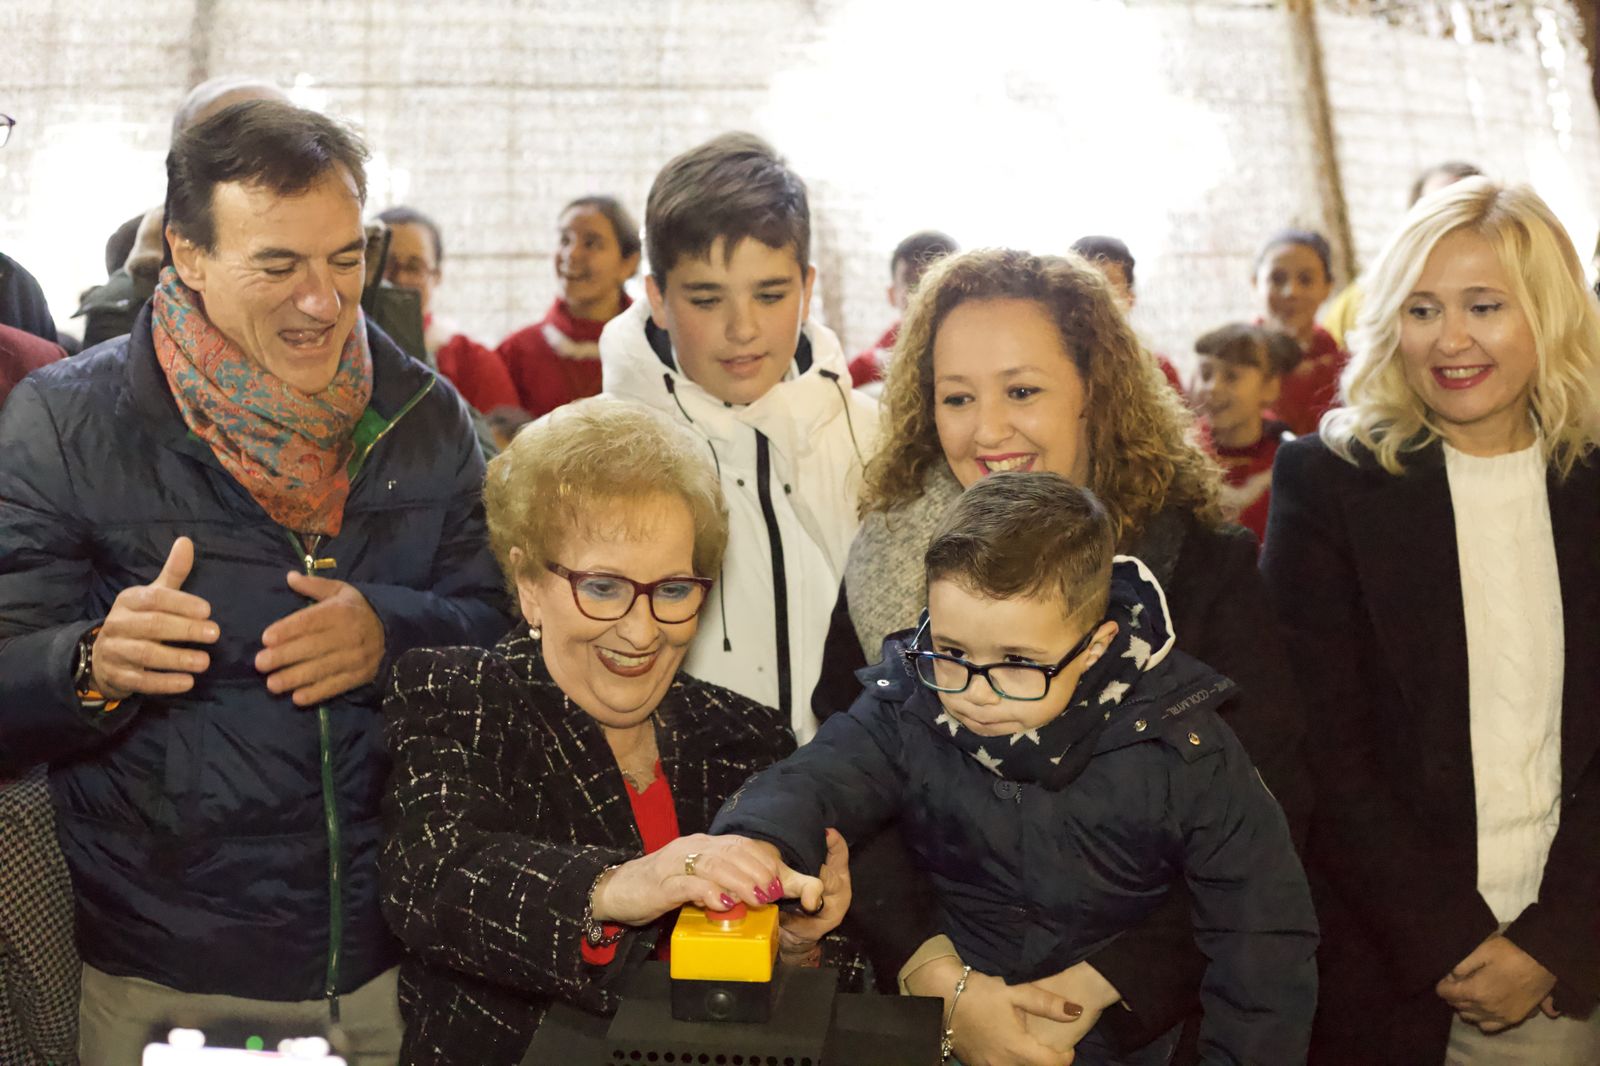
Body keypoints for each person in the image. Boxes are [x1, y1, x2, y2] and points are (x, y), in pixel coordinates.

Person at [0, 99, 510, 1065]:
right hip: (163, 972)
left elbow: (508, 637)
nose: (322, 300)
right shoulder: (67, 423)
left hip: (391, 957)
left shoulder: (424, 417)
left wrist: (390, 638)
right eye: (277, 265)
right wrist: (91, 663)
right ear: (186, 255)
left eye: (346, 258)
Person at [813, 247, 1307, 1063]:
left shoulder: (1199, 564)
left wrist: (1095, 984)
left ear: (1093, 394)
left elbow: (1270, 807)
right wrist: (939, 976)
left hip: (1138, 1015)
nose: (988, 429)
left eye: (1023, 391)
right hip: (931, 1006)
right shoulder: (886, 561)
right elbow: (849, 788)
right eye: (957, 397)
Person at [716, 472, 1317, 1063]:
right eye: (951, 652)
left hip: (1114, 1043)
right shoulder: (907, 703)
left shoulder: (1183, 743)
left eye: (1017, 662)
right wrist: (754, 841)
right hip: (945, 1030)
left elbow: (1263, 936)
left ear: (1098, 645)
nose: (977, 692)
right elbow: (817, 776)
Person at [380, 396, 849, 1066]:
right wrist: (629, 884)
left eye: (673, 589)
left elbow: (821, 1000)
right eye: (602, 587)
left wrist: (796, 946)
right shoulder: (463, 695)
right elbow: (434, 882)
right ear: (530, 584)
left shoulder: (748, 737)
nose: (640, 628)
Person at [1263, 178, 1600, 1064]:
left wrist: (1556, 941)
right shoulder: (1327, 485)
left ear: (1549, 315)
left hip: (1578, 947)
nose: (1450, 339)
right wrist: (1450, 938)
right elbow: (1321, 745)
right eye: (1421, 308)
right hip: (1401, 965)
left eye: (1484, 306)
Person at [600, 133, 879, 744]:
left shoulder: (877, 441)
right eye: (706, 299)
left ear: (807, 289)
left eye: (771, 295)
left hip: (856, 812)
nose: (743, 329)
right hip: (673, 823)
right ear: (658, 298)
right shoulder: (593, 453)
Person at [499, 195, 641, 418]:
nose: (571, 254)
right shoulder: (515, 352)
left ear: (628, 263)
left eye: (591, 243)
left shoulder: (656, 347)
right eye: (565, 240)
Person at [1322, 161, 1484, 349]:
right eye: (1438, 208)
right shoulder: (1365, 300)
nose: (1450, 221)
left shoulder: (1518, 283)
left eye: (1465, 208)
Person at [376, 205, 518, 413]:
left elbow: (505, 443)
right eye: (385, 265)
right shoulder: (336, 351)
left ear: (437, 276)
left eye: (415, 267)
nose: (399, 278)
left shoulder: (472, 363)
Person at [1191, 322, 1300, 545]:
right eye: (1205, 374)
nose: (1212, 387)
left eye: (1231, 377)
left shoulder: (1288, 461)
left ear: (1270, 387)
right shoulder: (1181, 452)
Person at [1252, 228, 1347, 435]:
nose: (1291, 292)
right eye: (1277, 279)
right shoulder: (1227, 365)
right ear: (1255, 282)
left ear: (1327, 287)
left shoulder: (1345, 370)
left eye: (1305, 280)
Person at [848, 229, 958, 396]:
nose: (926, 295)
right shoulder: (865, 370)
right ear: (892, 295)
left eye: (941, 284)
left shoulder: (985, 357)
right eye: (913, 284)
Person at [1069, 235, 1183, 393]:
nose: (1095, 298)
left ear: (1130, 298)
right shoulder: (1050, 363)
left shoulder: (1159, 371)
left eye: (1108, 285)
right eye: (1083, 286)